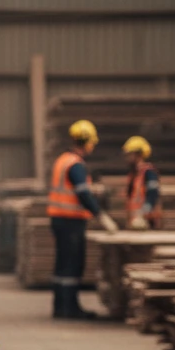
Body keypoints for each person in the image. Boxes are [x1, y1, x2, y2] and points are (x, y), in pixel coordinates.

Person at [46, 119, 118, 319]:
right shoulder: (76, 165)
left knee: (62, 265)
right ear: (86, 142)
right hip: (71, 222)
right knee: (72, 265)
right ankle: (70, 308)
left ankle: (60, 307)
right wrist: (101, 215)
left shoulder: (63, 160)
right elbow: (83, 194)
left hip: (59, 219)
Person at [122, 136, 162, 230]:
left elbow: (153, 194)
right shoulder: (133, 175)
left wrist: (143, 213)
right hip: (135, 223)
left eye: (129, 154)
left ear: (138, 154)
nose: (127, 157)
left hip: (148, 222)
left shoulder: (149, 173)